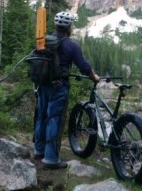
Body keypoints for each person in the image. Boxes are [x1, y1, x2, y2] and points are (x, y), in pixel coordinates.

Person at [34, 11, 99, 170]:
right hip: (59, 87)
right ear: (69, 27)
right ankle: (51, 159)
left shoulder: (44, 41)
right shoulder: (71, 45)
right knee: (54, 119)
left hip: (42, 85)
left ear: (56, 26)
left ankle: (38, 150)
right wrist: (94, 77)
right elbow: (84, 66)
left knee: (41, 116)